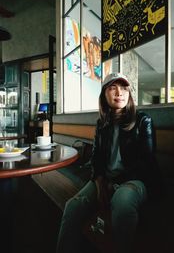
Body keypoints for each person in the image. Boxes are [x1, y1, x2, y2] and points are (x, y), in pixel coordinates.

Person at [56, 72, 162, 253]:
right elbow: (96, 157)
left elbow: (147, 163)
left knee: (122, 203)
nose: (119, 92)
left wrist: (114, 184)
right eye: (112, 88)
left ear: (129, 94)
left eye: (123, 88)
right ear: (104, 95)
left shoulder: (143, 121)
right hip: (106, 179)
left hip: (136, 180)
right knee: (73, 207)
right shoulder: (102, 123)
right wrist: (99, 182)